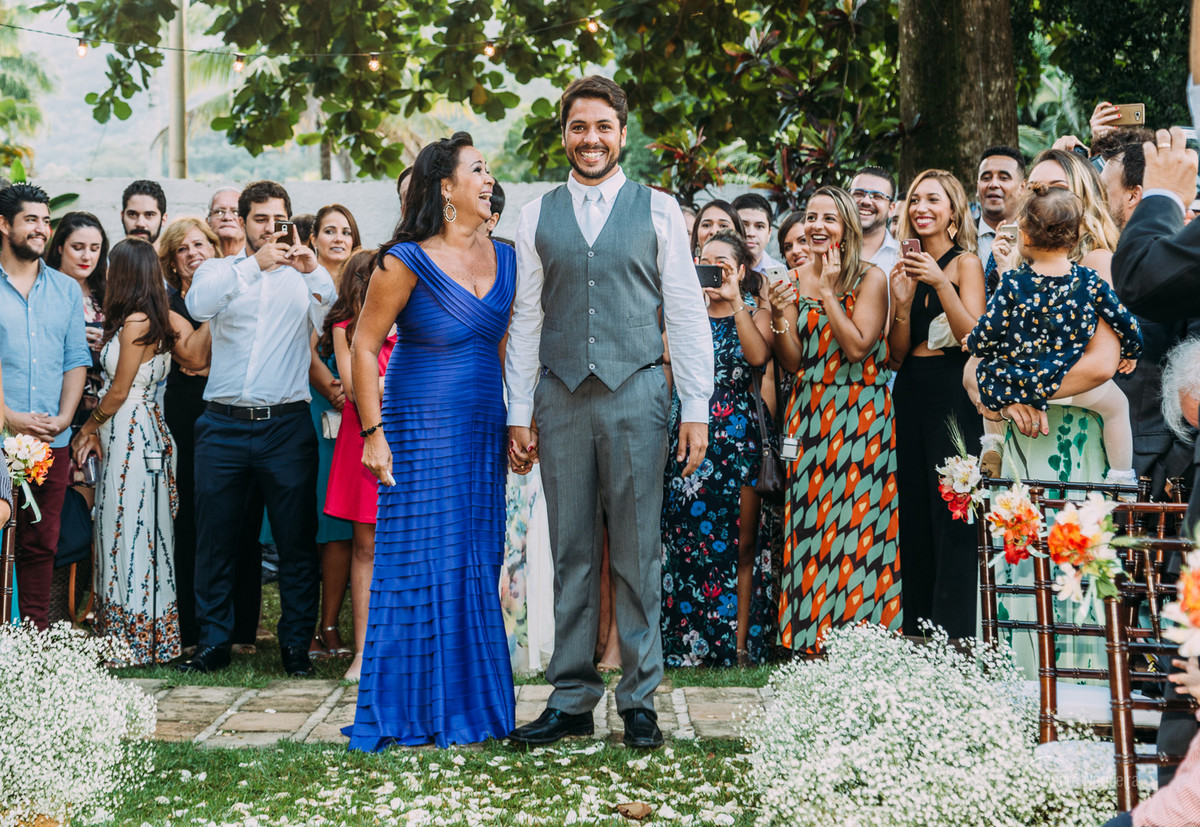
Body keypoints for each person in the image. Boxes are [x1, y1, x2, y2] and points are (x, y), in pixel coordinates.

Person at [506, 76, 714, 750]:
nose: (590, 139)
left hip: (637, 396)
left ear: (623, 134)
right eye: (578, 127)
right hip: (560, 397)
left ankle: (639, 698)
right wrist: (519, 410)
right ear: (563, 134)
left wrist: (697, 405)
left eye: (602, 127)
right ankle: (570, 698)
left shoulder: (658, 210)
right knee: (568, 551)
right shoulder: (535, 215)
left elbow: (684, 310)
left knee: (636, 552)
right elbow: (528, 316)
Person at [345, 132, 515, 749]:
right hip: (417, 428)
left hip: (480, 431)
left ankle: (474, 706)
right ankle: (409, 707)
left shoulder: (510, 259)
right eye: (478, 169)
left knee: (475, 560)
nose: (488, 178)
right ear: (446, 188)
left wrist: (517, 421)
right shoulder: (403, 261)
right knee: (419, 563)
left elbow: (505, 352)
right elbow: (364, 346)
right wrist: (373, 433)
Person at [178, 180, 334, 677]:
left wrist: (314, 272)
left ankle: (294, 646)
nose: (270, 228)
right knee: (216, 539)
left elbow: (334, 312)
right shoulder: (221, 269)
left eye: (278, 219)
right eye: (260, 219)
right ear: (242, 222)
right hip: (221, 425)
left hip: (285, 426)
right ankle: (214, 642)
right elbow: (199, 307)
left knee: (295, 539)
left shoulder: (304, 274)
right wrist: (253, 265)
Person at [769, 186, 900, 654]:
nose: (817, 226)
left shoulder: (872, 277)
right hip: (809, 411)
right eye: (810, 217)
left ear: (845, 225)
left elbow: (859, 346)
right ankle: (807, 638)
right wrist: (782, 315)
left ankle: (862, 643)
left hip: (861, 414)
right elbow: (792, 361)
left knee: (858, 525)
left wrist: (825, 293)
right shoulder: (795, 275)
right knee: (809, 524)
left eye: (828, 217)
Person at [968, 185, 1143, 486]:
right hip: (1071, 380)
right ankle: (1122, 480)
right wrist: (1131, 350)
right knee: (1117, 408)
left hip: (1019, 379)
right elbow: (1124, 319)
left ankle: (992, 444)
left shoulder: (1012, 281)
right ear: (1075, 238)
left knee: (987, 374)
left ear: (1023, 235)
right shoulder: (1089, 281)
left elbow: (990, 329)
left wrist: (973, 342)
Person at [660, 230, 775, 667]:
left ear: (742, 270)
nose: (712, 269)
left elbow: (757, 357)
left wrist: (734, 298)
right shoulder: (682, 314)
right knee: (683, 542)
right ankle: (683, 647)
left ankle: (739, 647)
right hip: (687, 438)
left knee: (741, 546)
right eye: (705, 261)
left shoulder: (755, 313)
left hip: (735, 441)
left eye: (723, 263)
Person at [70, 239, 185, 665]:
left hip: (131, 430)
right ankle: (137, 634)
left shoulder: (137, 321)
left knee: (130, 530)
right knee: (131, 527)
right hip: (136, 428)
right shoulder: (148, 318)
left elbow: (119, 392)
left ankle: (133, 640)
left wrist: (87, 428)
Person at [887, 169, 985, 640]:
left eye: (933, 199)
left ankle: (956, 628)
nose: (921, 208)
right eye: (914, 200)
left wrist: (939, 282)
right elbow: (896, 353)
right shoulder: (903, 266)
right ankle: (918, 624)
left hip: (953, 390)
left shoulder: (965, 263)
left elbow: (974, 337)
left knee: (954, 502)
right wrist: (902, 303)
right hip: (911, 387)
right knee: (915, 504)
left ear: (952, 210)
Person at [0, 183, 90, 630]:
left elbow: (76, 359)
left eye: (45, 220)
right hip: (2, 437)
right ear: (4, 225)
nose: (41, 229)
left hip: (50, 442)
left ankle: (32, 643)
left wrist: (66, 418)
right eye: (31, 219)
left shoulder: (66, 290)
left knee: (41, 543)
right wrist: (9, 417)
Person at [1097, 129, 1200, 499]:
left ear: (1134, 195)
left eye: (1101, 190)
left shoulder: (1168, 255)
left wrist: (1172, 472)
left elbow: (1194, 365)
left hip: (1154, 466)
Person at [321, 249, 395, 681]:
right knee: (364, 547)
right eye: (369, 275)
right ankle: (363, 653)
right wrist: (394, 382)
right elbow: (353, 389)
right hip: (362, 439)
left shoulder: (409, 326)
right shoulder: (344, 328)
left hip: (408, 438)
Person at [45, 212, 108, 436]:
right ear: (60, 247)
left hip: (99, 413)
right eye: (78, 247)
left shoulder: (107, 295)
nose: (86, 257)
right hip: (54, 405)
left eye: (94, 248)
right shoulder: (43, 290)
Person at [975, 146, 1026, 288]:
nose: (993, 184)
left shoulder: (1036, 239)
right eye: (986, 178)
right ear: (977, 186)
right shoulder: (958, 237)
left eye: (1004, 178)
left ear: (1023, 187)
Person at [848, 166, 901, 276]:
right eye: (858, 193)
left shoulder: (901, 257)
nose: (866, 201)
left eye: (877, 196)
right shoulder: (828, 248)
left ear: (891, 209)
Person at [732, 192, 784, 277]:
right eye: (744, 225)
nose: (751, 233)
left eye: (759, 226)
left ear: (769, 234)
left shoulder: (782, 274)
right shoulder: (717, 269)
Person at [309, 204, 361, 286]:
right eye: (329, 231)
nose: (338, 239)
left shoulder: (364, 286)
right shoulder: (299, 282)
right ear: (314, 240)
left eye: (346, 233)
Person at [121, 180, 167, 244]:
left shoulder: (178, 254)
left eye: (149, 215)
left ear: (163, 220)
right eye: (132, 214)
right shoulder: (112, 254)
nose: (140, 224)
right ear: (122, 217)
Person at [207, 187, 246, 258]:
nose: (227, 217)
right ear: (207, 222)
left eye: (236, 212)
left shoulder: (262, 262)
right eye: (219, 212)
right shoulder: (199, 261)